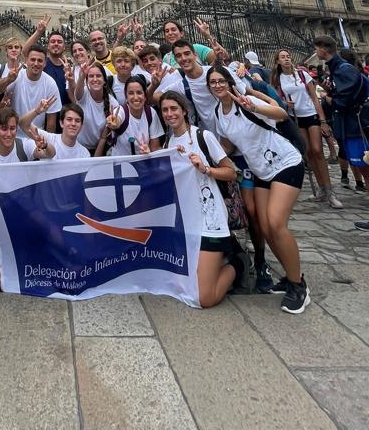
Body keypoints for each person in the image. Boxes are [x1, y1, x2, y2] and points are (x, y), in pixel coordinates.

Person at [207, 63, 309, 314]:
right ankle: (289, 275)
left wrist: (253, 106)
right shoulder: (219, 113)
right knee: (263, 226)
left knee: (275, 223)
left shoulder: (244, 101)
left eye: (221, 81)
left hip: (285, 162)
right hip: (262, 171)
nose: (218, 86)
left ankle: (298, 286)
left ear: (230, 81)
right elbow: (229, 145)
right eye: (213, 83)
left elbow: (281, 114)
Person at [159, 89, 243, 307]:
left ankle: (238, 263)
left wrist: (206, 169)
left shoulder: (202, 136)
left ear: (184, 111)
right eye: (165, 110)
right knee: (181, 286)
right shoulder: (168, 144)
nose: (169, 114)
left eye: (174, 108)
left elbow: (231, 172)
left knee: (204, 298)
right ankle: (218, 262)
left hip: (210, 221)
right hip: (187, 223)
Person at [313, 35, 369, 241]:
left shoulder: (343, 69)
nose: (316, 53)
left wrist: (328, 98)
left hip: (357, 126)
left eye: (317, 49)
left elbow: (346, 98)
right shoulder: (340, 68)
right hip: (353, 125)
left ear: (323, 50)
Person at [0, 107, 52, 292]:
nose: (8, 133)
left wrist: (44, 145)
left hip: (18, 215)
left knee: (46, 233)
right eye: (4, 128)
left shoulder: (24, 146)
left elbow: (49, 155)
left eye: (12, 128)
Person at [271, 49, 342, 210]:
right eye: (283, 57)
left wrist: (323, 120)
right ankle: (321, 189)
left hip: (311, 114)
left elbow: (314, 97)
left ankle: (329, 190)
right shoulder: (278, 79)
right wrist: (284, 104)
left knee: (317, 150)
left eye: (288, 56)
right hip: (296, 117)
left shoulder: (302, 75)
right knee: (308, 151)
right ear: (277, 62)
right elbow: (277, 99)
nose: (287, 59)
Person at [0, 46, 61, 138]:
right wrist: (8, 80)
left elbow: (51, 120)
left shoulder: (50, 83)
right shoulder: (16, 76)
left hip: (36, 136)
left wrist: (46, 144)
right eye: (33, 59)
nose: (36, 63)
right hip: (13, 135)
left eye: (40, 61)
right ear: (26, 61)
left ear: (45, 63)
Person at [96, 76, 162, 156]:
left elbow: (155, 148)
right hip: (120, 165)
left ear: (145, 96)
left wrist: (149, 153)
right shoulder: (120, 111)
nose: (135, 97)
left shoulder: (151, 113)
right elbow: (117, 120)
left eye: (139, 93)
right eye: (131, 93)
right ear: (126, 97)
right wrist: (115, 123)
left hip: (142, 164)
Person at [72, 60, 117, 154]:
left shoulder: (113, 103)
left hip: (102, 148)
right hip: (79, 148)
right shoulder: (83, 94)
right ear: (87, 80)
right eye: (91, 76)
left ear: (104, 80)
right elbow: (77, 93)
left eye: (99, 76)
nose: (95, 79)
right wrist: (82, 76)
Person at [22, 15, 69, 105]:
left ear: (64, 47)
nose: (56, 44)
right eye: (52, 41)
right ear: (48, 46)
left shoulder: (68, 67)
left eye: (59, 42)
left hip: (63, 113)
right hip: (42, 111)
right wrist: (39, 32)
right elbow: (25, 51)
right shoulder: (41, 63)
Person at [21, 101, 89, 159]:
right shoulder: (48, 138)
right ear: (61, 123)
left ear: (81, 126)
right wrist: (36, 111)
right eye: (69, 119)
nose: (73, 124)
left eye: (77, 121)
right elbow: (23, 124)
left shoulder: (84, 153)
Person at [161, 19, 228, 67]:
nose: (170, 33)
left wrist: (207, 35)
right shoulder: (167, 58)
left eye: (173, 29)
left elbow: (224, 57)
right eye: (167, 31)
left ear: (181, 33)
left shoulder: (196, 48)